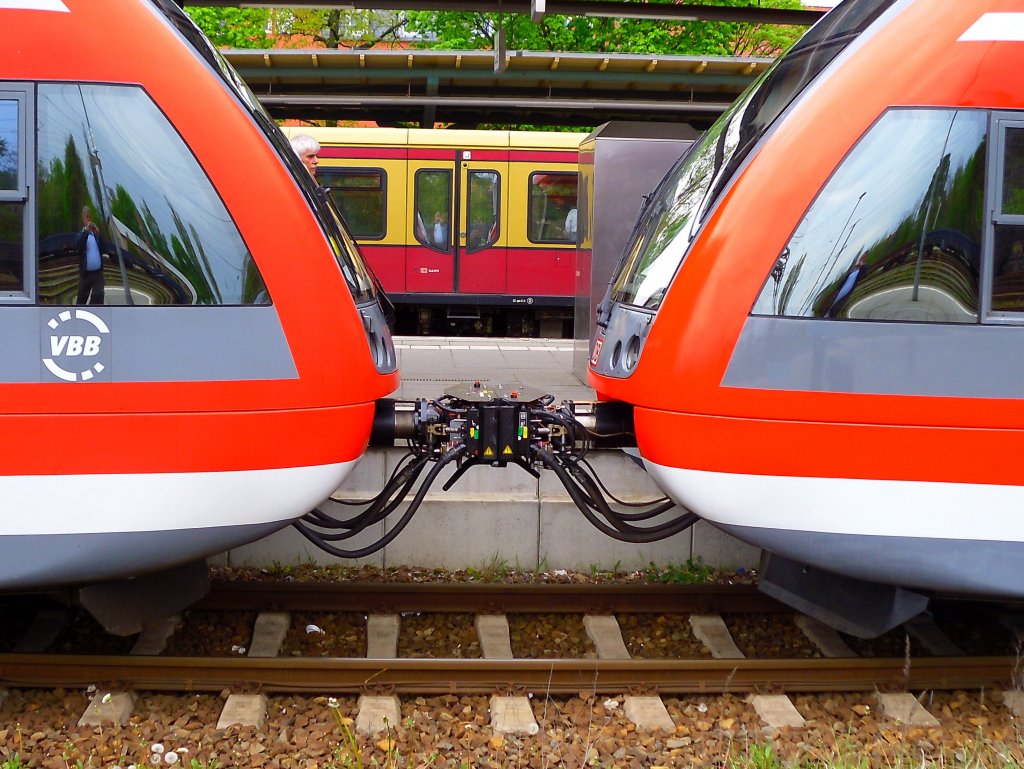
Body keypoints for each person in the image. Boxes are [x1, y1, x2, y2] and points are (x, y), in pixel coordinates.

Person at [76, 206, 105, 305]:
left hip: (98, 274)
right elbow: (78, 247)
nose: (89, 219)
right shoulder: (81, 234)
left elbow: (104, 249)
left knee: (98, 298)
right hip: (85, 275)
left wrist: (99, 234)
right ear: (83, 219)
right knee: (81, 301)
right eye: (86, 217)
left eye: (90, 217)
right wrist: (86, 232)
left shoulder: (95, 235)